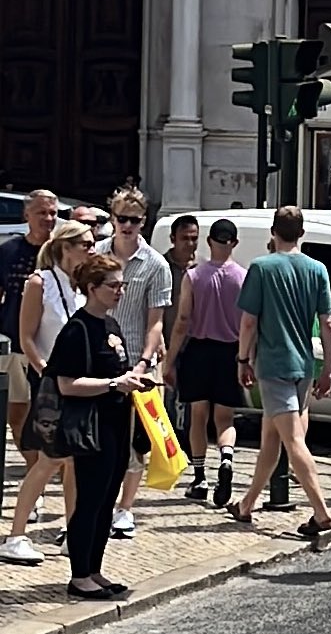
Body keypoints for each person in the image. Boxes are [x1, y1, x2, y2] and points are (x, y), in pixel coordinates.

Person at [228, 207, 331, 537]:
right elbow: (328, 323)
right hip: (303, 365)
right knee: (270, 439)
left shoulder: (262, 267)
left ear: (273, 232)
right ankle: (246, 505)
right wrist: (328, 368)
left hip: (273, 365)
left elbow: (248, 321)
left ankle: (321, 512)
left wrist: (243, 359)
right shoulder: (317, 269)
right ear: (301, 234)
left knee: (292, 440)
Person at [49, 255, 151, 598]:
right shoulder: (77, 330)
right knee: (90, 498)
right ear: (92, 288)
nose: (120, 291)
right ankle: (79, 576)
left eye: (122, 285)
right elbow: (66, 383)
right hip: (90, 424)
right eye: (113, 286)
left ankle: (95, 568)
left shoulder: (112, 325)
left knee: (108, 497)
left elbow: (116, 372)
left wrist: (135, 380)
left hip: (117, 421)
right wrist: (112, 384)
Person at [0, 222, 94, 564]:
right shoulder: (40, 283)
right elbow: (27, 336)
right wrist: (46, 373)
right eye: (84, 243)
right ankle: (16, 535)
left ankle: (73, 531)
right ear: (65, 247)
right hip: (50, 382)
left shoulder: (81, 286)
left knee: (73, 462)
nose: (91, 248)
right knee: (49, 459)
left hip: (77, 383)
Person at [96, 187, 171, 538]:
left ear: (144, 222)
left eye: (134, 220)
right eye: (121, 218)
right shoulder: (96, 256)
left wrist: (144, 362)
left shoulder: (155, 264)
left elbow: (155, 320)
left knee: (135, 439)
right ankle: (97, 502)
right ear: (112, 217)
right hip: (97, 356)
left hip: (136, 357)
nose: (127, 225)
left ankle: (125, 508)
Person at [164, 219, 247, 507]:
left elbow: (183, 320)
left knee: (198, 415)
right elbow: (250, 323)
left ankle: (199, 477)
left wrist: (170, 359)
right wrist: (247, 359)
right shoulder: (243, 277)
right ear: (234, 243)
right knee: (225, 418)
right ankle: (226, 458)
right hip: (230, 352)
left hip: (198, 350)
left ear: (209, 241)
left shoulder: (194, 276)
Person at [0, 189, 59, 523]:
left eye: (52, 213)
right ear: (27, 216)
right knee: (19, 419)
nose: (48, 219)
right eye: (42, 213)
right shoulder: (9, 251)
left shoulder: (61, 254)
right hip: (17, 348)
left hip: (52, 350)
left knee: (51, 422)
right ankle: (33, 477)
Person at [162, 215, 200, 459]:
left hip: (194, 344)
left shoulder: (202, 269)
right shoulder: (161, 266)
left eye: (194, 238)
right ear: (173, 239)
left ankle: (184, 445)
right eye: (185, 238)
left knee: (189, 400)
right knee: (165, 397)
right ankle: (165, 447)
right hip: (164, 341)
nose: (189, 244)